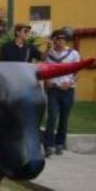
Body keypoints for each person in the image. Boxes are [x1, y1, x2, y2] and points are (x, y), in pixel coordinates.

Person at [44, 29, 80, 158]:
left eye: (63, 38)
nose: (61, 41)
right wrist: (47, 81)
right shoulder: (48, 54)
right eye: (58, 38)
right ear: (53, 40)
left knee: (64, 119)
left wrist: (69, 83)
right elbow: (44, 68)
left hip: (67, 90)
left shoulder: (73, 54)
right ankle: (48, 146)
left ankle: (59, 143)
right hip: (53, 89)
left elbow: (77, 72)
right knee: (52, 117)